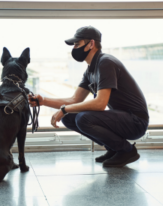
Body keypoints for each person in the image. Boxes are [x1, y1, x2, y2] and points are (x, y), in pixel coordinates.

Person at [28, 25, 149, 167]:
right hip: (122, 118)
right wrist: (43, 101)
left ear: (91, 44)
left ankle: (126, 151)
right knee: (69, 117)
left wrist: (64, 109)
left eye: (77, 44)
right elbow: (74, 100)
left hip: (135, 122)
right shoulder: (90, 70)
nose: (74, 48)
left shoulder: (106, 63)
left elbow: (100, 103)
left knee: (82, 118)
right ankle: (114, 148)